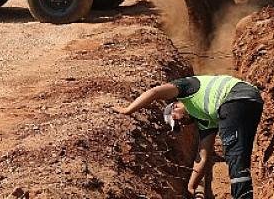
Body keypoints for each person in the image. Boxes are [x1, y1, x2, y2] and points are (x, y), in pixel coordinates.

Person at [113, 75, 263, 199]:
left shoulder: (187, 87)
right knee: (240, 158)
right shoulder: (204, 120)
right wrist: (192, 186)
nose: (182, 124)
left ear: (175, 106)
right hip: (252, 99)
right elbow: (202, 157)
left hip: (234, 98)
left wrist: (128, 110)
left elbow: (155, 92)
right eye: (178, 126)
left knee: (234, 156)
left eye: (177, 120)